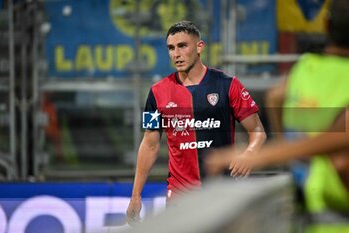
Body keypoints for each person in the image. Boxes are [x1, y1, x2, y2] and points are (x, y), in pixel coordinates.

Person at [205, 0, 349, 231]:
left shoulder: (305, 68)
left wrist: (281, 147)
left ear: (326, 23)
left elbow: (275, 97)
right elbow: (341, 155)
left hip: (308, 212)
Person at [126, 20, 266, 225]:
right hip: (180, 197)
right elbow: (150, 144)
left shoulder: (228, 85)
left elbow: (258, 131)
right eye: (171, 48)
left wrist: (250, 154)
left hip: (223, 192)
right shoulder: (157, 92)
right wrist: (136, 195)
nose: (176, 54)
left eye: (182, 46)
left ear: (199, 47)